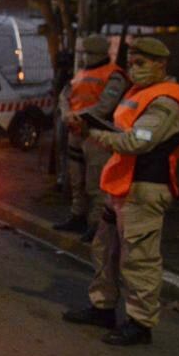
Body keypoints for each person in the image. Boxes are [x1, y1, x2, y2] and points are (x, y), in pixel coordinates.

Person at [62, 37, 179, 346]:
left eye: (141, 63)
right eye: (131, 63)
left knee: (139, 259)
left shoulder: (167, 101)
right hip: (121, 186)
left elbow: (137, 142)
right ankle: (102, 307)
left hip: (145, 188)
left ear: (161, 64)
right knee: (105, 250)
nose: (134, 69)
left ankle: (140, 324)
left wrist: (93, 132)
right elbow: (125, 132)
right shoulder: (139, 92)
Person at [54, 34, 128, 240]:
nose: (85, 56)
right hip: (77, 131)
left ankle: (96, 225)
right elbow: (64, 95)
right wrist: (68, 114)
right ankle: (78, 216)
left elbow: (106, 105)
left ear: (97, 53)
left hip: (97, 135)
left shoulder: (115, 75)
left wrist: (75, 117)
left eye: (88, 53)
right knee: (76, 179)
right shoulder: (82, 72)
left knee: (96, 182)